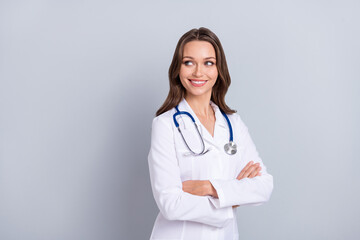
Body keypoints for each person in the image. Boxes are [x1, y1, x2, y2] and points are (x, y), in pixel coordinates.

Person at [147, 27, 273, 240]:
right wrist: (230, 200)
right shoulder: (165, 124)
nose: (198, 72)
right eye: (189, 62)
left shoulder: (233, 123)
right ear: (178, 69)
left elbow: (263, 186)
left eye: (208, 62)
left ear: (218, 69)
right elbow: (170, 204)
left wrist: (209, 188)